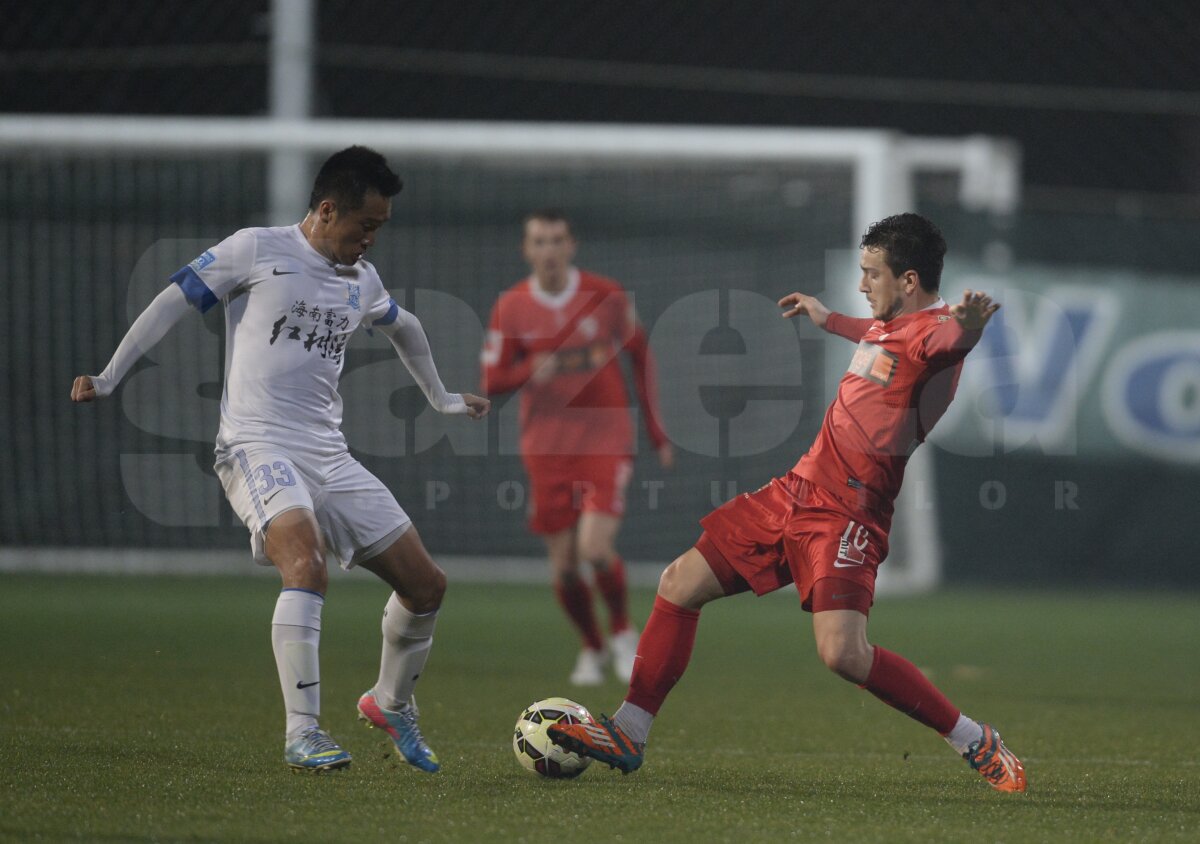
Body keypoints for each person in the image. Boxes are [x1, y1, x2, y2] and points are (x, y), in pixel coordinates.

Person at [551, 213, 1027, 793]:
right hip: (794, 492)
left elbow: (948, 342)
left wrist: (971, 327)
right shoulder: (887, 324)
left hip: (849, 514)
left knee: (844, 655)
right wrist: (828, 319)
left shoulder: (932, 336)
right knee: (678, 583)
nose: (861, 285)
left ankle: (973, 738)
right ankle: (629, 731)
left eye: (870, 274)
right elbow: (872, 334)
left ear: (908, 281)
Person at [71, 146, 490, 773]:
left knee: (427, 586)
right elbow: (173, 300)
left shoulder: (362, 281)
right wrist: (109, 376)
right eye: (365, 226)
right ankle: (304, 732)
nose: (371, 239)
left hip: (328, 453)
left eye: (379, 228)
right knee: (305, 561)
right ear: (326, 210)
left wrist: (443, 398)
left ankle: (390, 702)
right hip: (255, 444)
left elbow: (406, 326)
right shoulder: (257, 248)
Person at [481, 209, 672, 686]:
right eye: (539, 241)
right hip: (546, 447)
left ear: (572, 245)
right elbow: (491, 380)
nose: (549, 250)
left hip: (605, 438)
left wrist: (656, 432)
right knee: (565, 568)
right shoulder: (511, 307)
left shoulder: (605, 296)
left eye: (557, 240)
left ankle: (624, 633)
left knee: (594, 546)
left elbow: (641, 358)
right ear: (527, 250)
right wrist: (529, 370)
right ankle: (592, 646)